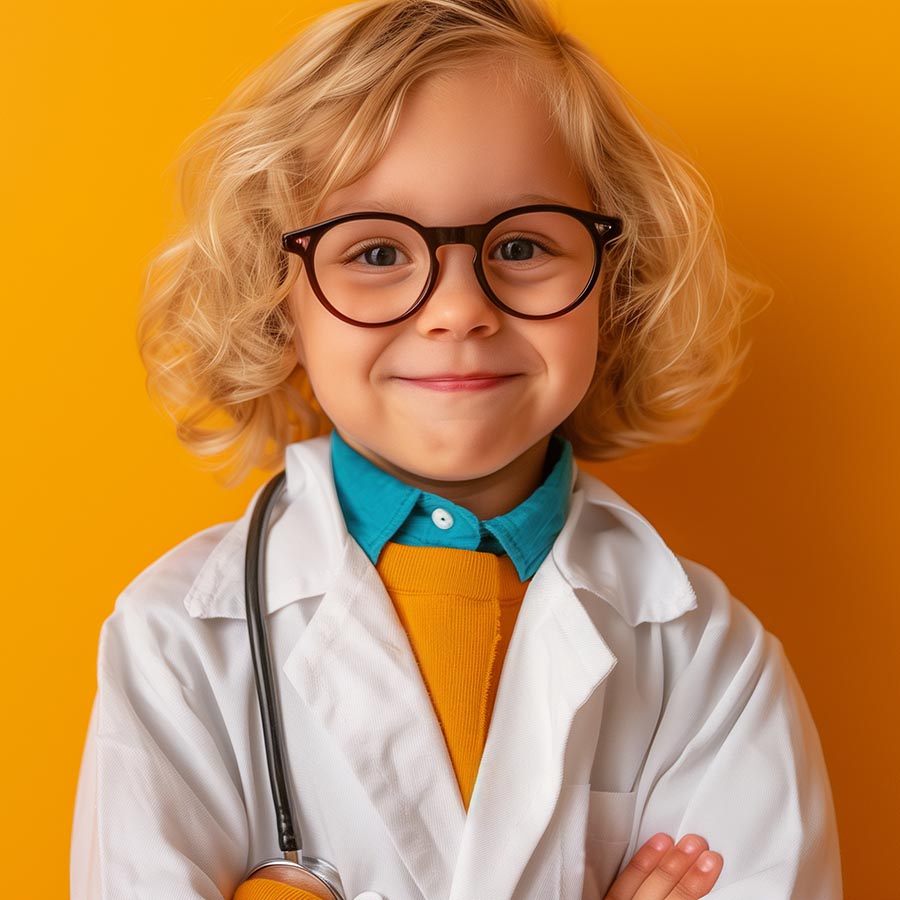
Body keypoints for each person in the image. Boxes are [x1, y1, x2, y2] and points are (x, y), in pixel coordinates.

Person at [69, 1, 842, 898]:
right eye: (375, 252)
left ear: (616, 289)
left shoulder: (709, 660)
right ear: (277, 297)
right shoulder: (176, 642)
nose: (458, 308)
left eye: (520, 244)